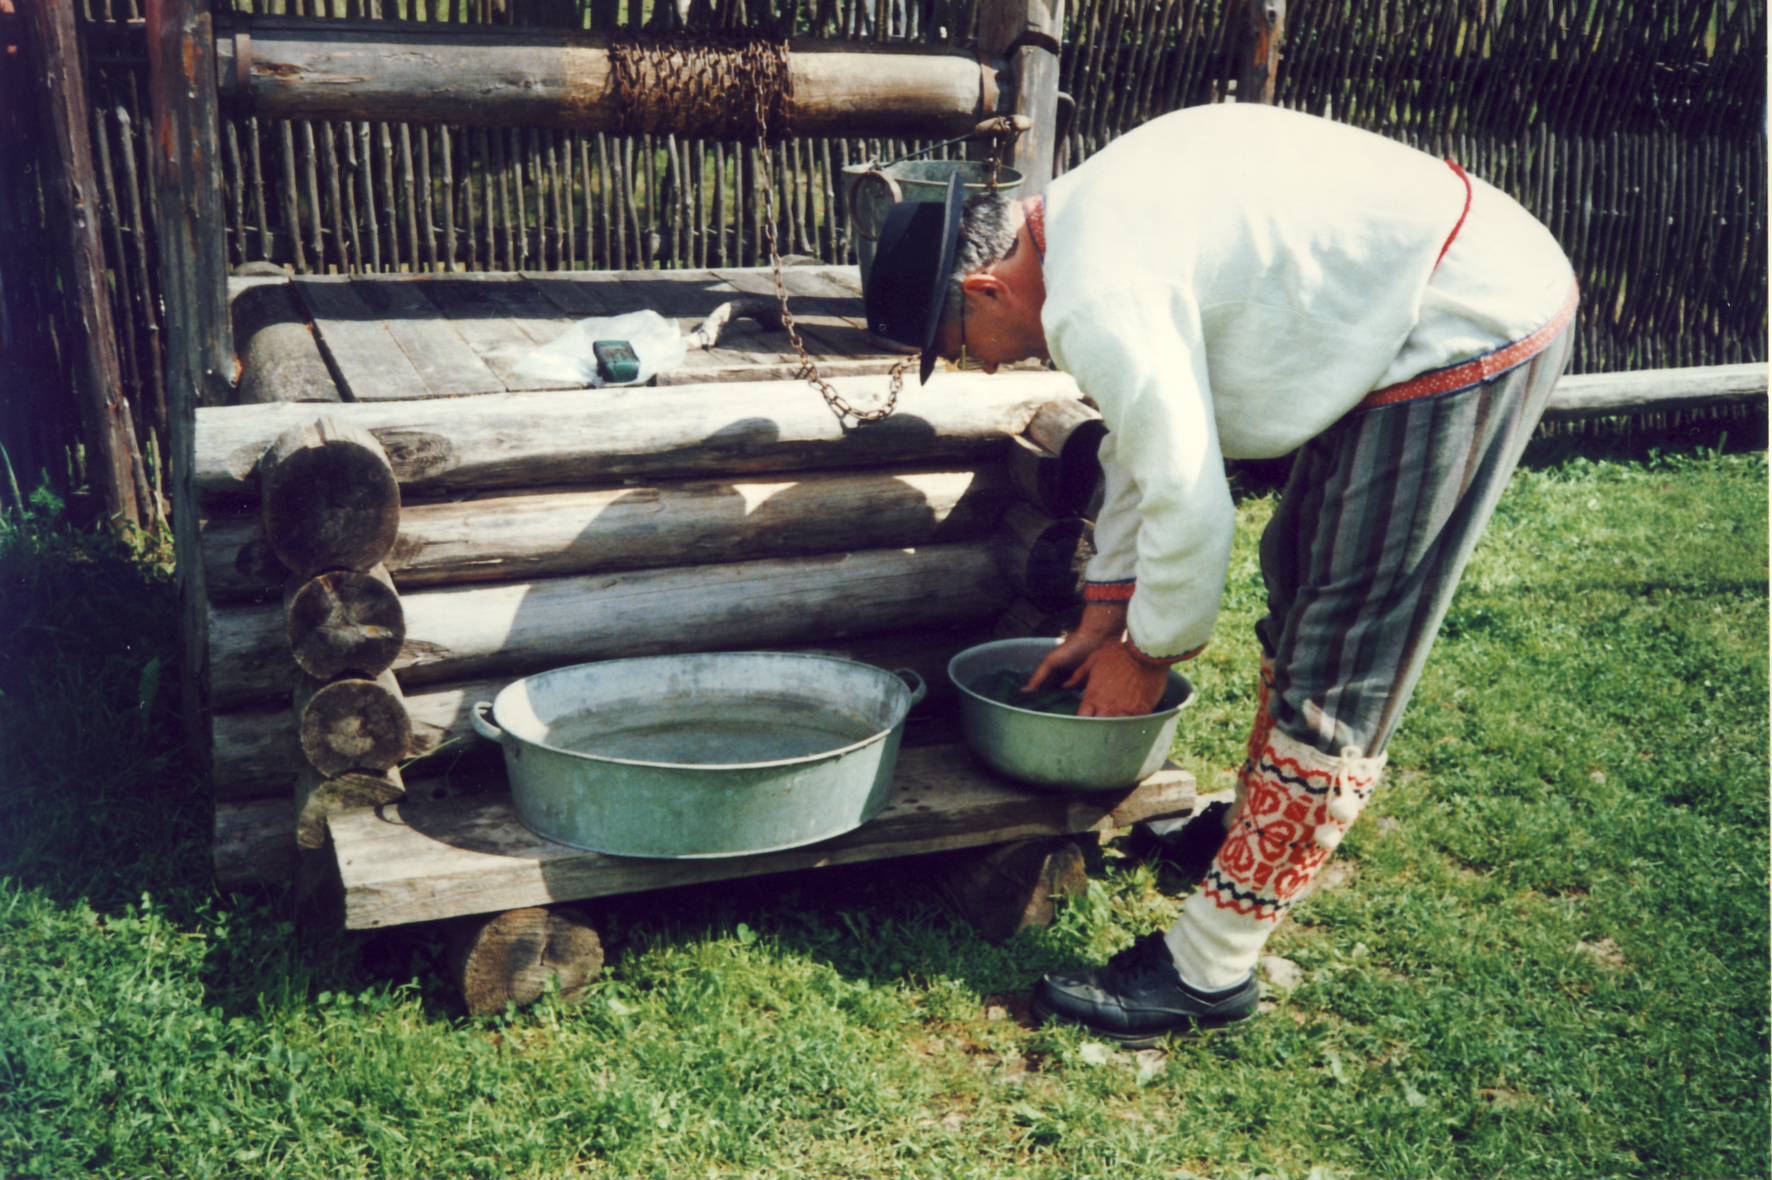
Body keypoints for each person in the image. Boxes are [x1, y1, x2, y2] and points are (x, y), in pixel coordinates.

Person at [863, 102, 1577, 1047]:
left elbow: (1194, 502)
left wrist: (1146, 654)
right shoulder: (1074, 224)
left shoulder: (1094, 290)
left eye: (954, 344)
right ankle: (1251, 826)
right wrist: (1103, 613)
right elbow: (1146, 442)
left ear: (988, 287)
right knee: (1301, 574)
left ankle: (1208, 971)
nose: (966, 363)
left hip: (1467, 318)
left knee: (1342, 651)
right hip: (1401, 305)